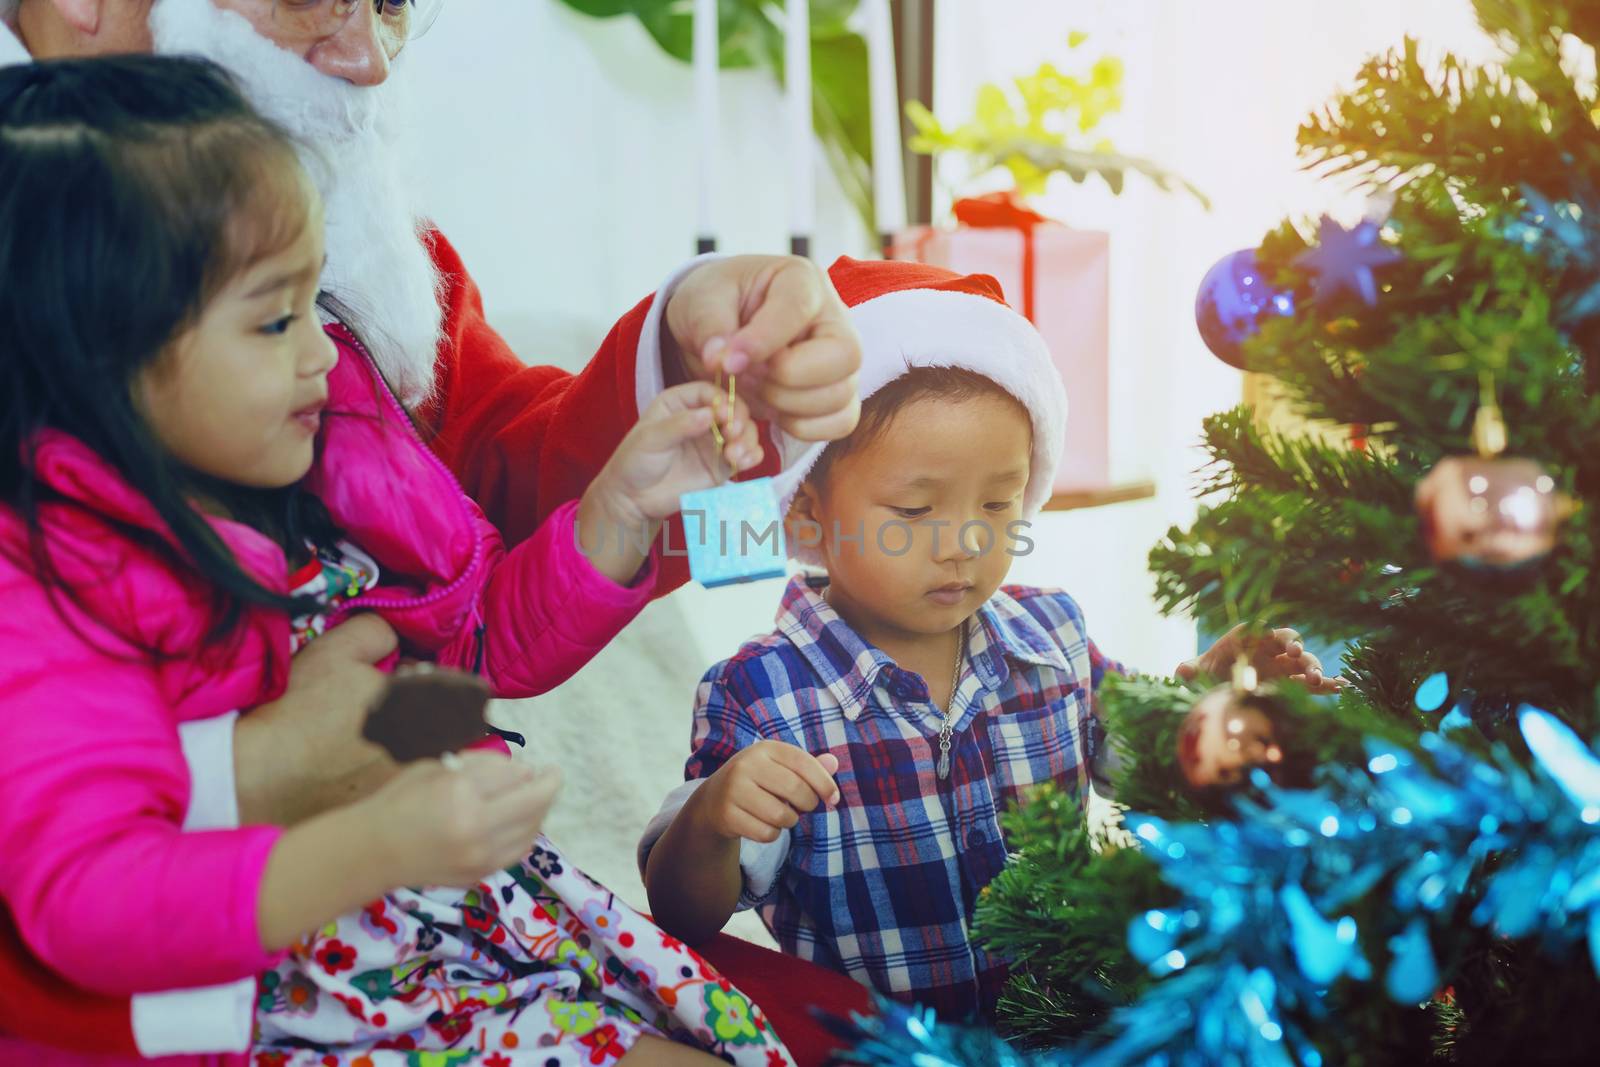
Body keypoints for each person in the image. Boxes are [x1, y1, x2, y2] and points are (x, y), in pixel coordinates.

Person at [0, 2, 871, 1063]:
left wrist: (619, 505)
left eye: (394, 5)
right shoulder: (63, 553)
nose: (367, 60)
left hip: (456, 916)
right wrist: (271, 776)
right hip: (286, 974)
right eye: (277, 317)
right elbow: (83, 881)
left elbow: (471, 618)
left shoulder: (317, 374)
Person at [639, 258, 1342, 1019]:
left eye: (1000, 502)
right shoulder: (761, 693)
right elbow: (684, 915)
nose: (965, 540)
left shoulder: (1053, 634)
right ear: (809, 513)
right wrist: (712, 814)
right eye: (914, 509)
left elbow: (1142, 758)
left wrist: (1210, 687)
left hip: (1073, 1028)